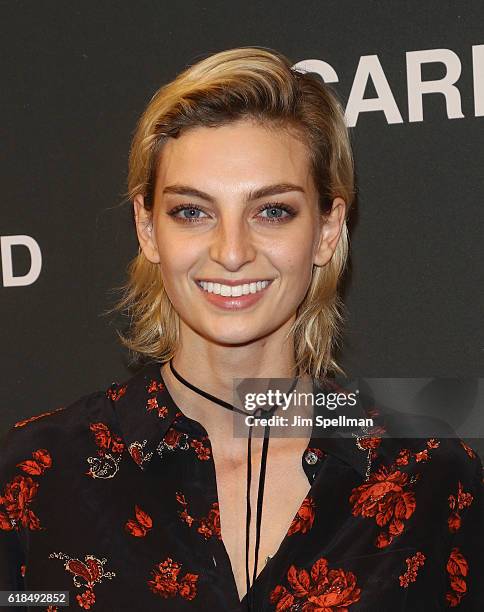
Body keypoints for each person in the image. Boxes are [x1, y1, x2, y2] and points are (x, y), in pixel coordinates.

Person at [0, 46, 482, 612]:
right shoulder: (39, 471)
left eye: (272, 210)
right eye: (192, 211)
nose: (231, 252)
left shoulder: (429, 474)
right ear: (147, 227)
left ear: (328, 229)